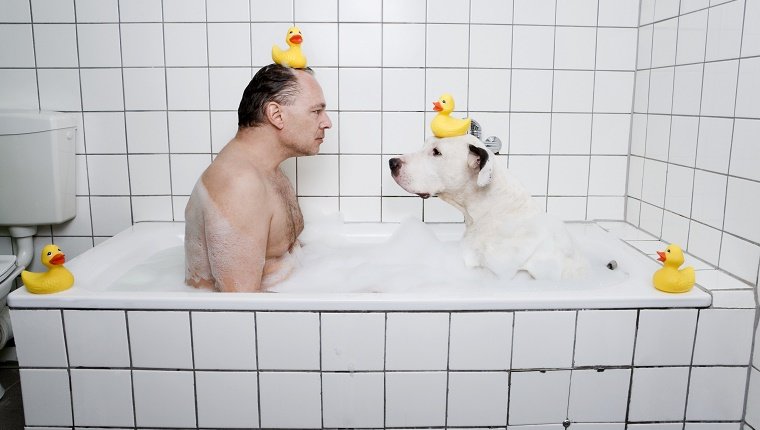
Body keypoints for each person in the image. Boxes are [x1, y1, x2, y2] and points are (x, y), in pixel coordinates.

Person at [184, 64, 332, 292]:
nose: (327, 122)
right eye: (316, 111)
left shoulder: (267, 169)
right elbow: (241, 308)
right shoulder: (238, 184)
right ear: (276, 115)